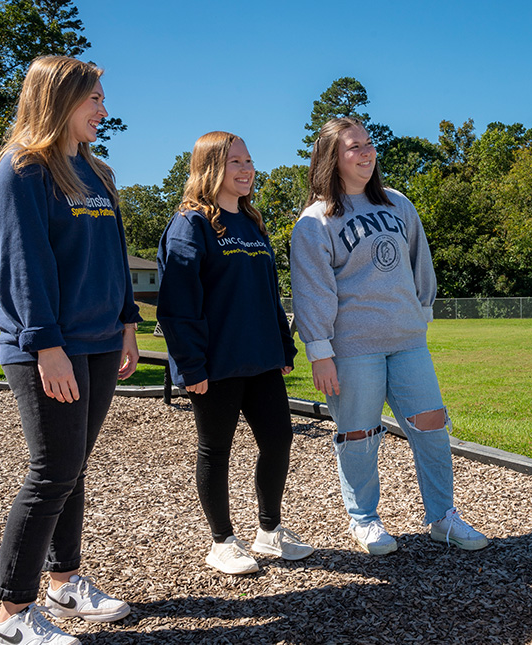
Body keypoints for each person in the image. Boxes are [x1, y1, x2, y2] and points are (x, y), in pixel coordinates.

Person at [0, 55, 140, 645]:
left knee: (72, 468)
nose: (104, 108)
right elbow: (22, 264)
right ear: (58, 99)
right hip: (48, 345)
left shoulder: (97, 173)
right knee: (50, 472)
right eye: (93, 98)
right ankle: (10, 617)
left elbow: (114, 260)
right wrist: (45, 344)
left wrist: (127, 323)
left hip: (101, 341)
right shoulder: (21, 172)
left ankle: (65, 581)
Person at [291, 117, 488, 555]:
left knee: (433, 426)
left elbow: (421, 264)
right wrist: (319, 351)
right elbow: (312, 290)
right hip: (352, 348)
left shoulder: (398, 204)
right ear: (331, 158)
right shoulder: (316, 220)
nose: (365, 153)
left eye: (368, 144)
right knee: (359, 434)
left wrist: (420, 315)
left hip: (408, 342)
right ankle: (364, 519)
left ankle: (443, 517)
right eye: (352, 147)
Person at [157, 132, 313, 575]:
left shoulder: (252, 222)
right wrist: (190, 365)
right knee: (215, 450)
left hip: (261, 358)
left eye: (249, 161)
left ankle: (269, 530)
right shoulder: (191, 224)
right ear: (210, 167)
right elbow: (177, 303)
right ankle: (222, 541)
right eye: (235, 162)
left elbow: (269, 294)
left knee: (279, 440)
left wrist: (284, 346)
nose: (246, 170)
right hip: (215, 363)